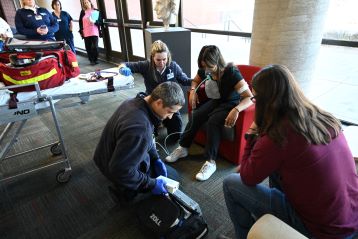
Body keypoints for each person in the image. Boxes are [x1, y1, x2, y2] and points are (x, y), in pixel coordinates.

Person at [222, 65, 358, 239]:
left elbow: (247, 176)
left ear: (266, 101)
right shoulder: (323, 116)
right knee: (277, 168)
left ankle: (243, 236)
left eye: (255, 98)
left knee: (230, 183)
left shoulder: (277, 136)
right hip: (350, 216)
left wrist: (251, 133)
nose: (254, 102)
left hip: (323, 230)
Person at [165, 45, 254, 181]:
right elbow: (195, 80)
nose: (206, 71)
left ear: (218, 62)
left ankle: (210, 162)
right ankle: (183, 147)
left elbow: (249, 97)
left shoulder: (232, 73)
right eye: (204, 67)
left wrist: (236, 110)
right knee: (197, 114)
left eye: (209, 67)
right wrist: (193, 91)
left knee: (213, 121)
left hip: (231, 103)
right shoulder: (205, 69)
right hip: (217, 100)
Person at [93, 82, 185, 205]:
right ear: (158, 103)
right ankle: (123, 191)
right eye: (169, 111)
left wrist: (155, 158)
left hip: (105, 156)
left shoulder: (133, 102)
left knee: (167, 173)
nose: (170, 117)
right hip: (115, 169)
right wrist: (151, 184)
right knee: (172, 178)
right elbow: (120, 170)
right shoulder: (140, 128)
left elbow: (148, 139)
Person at [119, 40, 191, 142]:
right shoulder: (146, 65)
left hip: (169, 102)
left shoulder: (173, 66)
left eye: (164, 59)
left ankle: (164, 125)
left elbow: (185, 80)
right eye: (158, 60)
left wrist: (199, 80)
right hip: (152, 102)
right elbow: (123, 64)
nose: (161, 63)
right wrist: (122, 68)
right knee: (147, 132)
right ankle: (155, 130)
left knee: (176, 131)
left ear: (168, 57)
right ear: (152, 57)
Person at [79, 0, 103, 65]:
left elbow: (100, 22)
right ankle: (91, 60)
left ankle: (95, 59)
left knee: (95, 46)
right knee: (88, 47)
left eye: (87, 2)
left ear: (90, 2)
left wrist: (94, 21)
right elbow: (80, 22)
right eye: (85, 3)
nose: (86, 4)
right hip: (86, 31)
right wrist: (81, 31)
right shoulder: (83, 12)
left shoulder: (95, 11)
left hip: (94, 31)